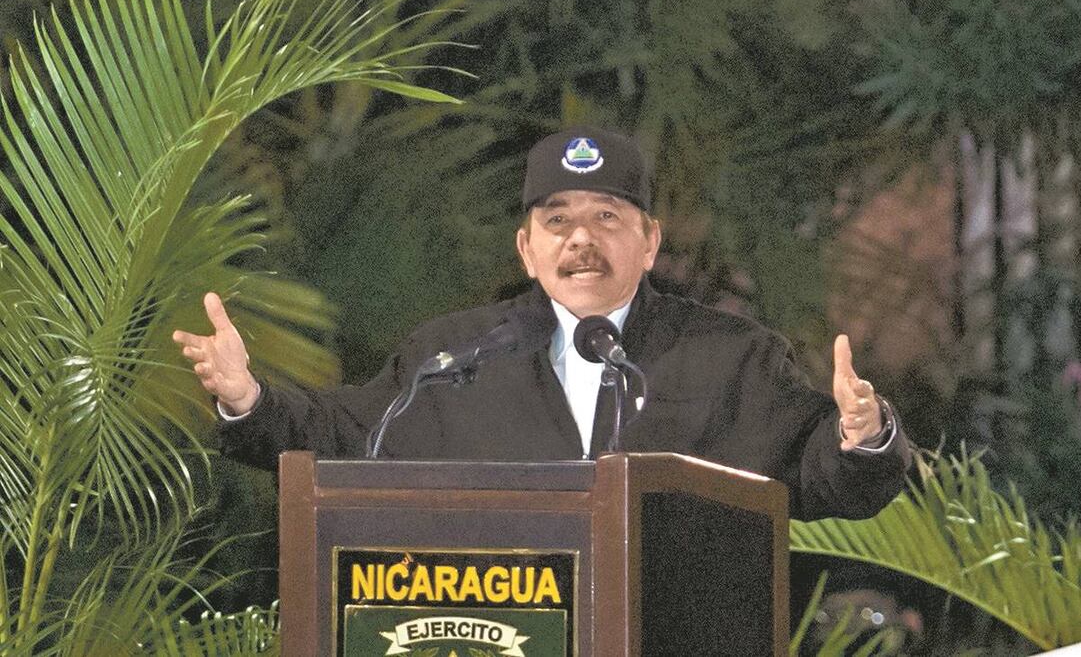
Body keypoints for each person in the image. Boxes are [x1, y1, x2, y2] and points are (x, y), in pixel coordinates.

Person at [172, 126, 911, 520]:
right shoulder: (451, 356)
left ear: (649, 243)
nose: (580, 240)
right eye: (557, 222)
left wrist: (862, 435)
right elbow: (341, 435)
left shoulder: (730, 356)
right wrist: (247, 398)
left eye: (606, 218)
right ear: (527, 250)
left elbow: (821, 478)